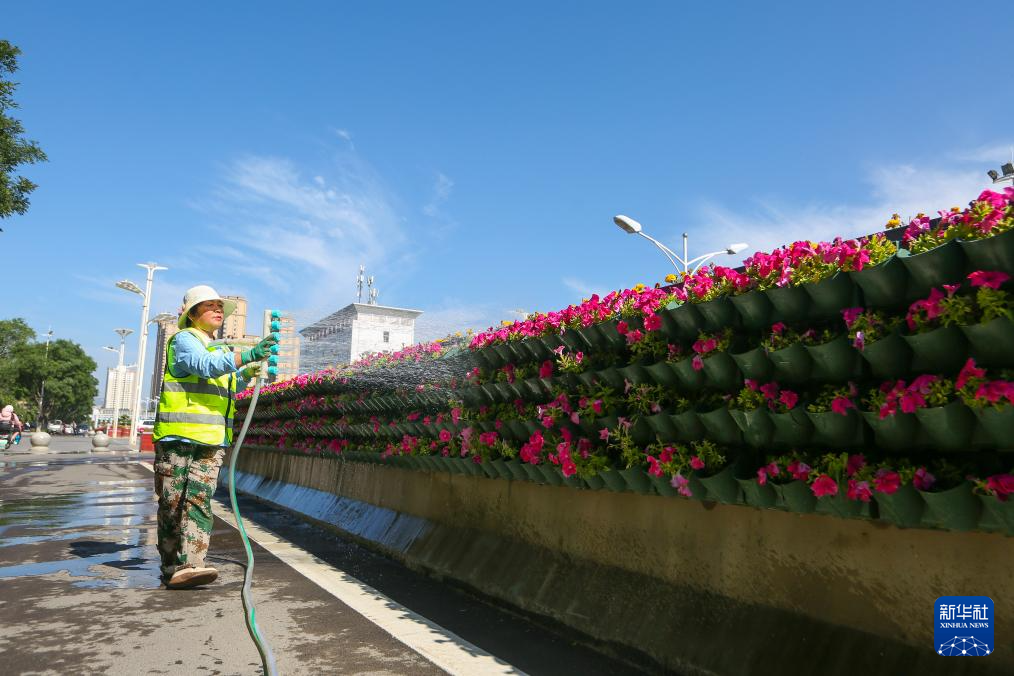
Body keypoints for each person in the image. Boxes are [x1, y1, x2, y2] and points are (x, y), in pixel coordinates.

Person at [152, 285, 277, 589]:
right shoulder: (184, 340)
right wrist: (247, 355)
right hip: (177, 437)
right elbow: (202, 366)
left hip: (211, 440)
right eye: (209, 306)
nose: (218, 311)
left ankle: (192, 564)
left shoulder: (219, 350)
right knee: (173, 502)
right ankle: (171, 565)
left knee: (198, 501)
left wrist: (250, 371)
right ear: (193, 314)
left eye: (219, 306)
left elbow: (229, 386)